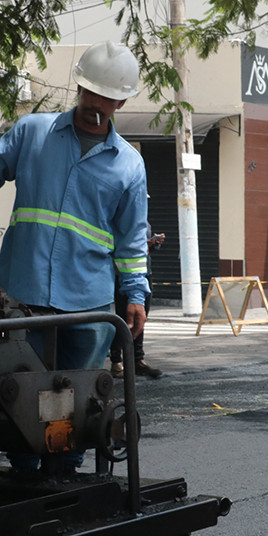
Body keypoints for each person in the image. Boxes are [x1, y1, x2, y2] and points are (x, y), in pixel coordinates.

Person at [0, 41, 149, 476]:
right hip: (23, 300)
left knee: (78, 406)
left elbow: (131, 240)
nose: (95, 104)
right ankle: (25, 482)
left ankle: (64, 483)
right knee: (18, 400)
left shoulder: (129, 165)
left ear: (121, 100)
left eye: (106, 97)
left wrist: (136, 295)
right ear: (79, 87)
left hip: (88, 308)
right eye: (89, 92)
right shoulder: (33, 133)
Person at [110, 224, 164, 378]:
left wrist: (152, 244)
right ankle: (116, 361)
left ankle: (137, 360)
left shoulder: (144, 224)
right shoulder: (121, 221)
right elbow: (120, 248)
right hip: (125, 276)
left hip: (144, 274)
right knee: (124, 319)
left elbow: (144, 252)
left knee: (140, 318)